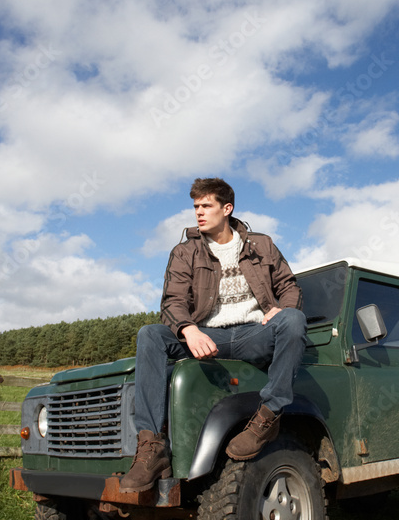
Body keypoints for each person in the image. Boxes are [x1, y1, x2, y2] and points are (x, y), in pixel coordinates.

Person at [120, 177, 308, 493]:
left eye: (206, 205)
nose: (199, 212)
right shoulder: (185, 251)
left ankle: (268, 416)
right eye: (196, 206)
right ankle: (152, 449)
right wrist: (188, 329)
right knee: (150, 335)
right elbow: (172, 302)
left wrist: (281, 308)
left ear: (227, 208)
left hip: (254, 335)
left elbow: (289, 286)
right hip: (208, 335)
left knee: (292, 320)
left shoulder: (261, 245)